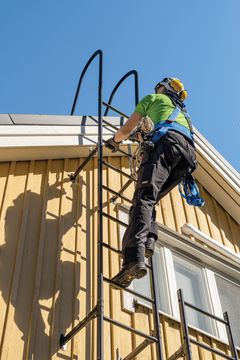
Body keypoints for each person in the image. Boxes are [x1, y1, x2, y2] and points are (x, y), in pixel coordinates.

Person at [105, 77, 197, 288]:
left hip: (165, 147)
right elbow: (159, 130)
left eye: (158, 86)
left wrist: (114, 141)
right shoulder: (182, 114)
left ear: (163, 88)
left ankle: (133, 259)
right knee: (150, 200)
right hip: (187, 158)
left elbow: (126, 129)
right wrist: (143, 136)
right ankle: (148, 241)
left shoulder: (153, 98)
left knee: (143, 200)